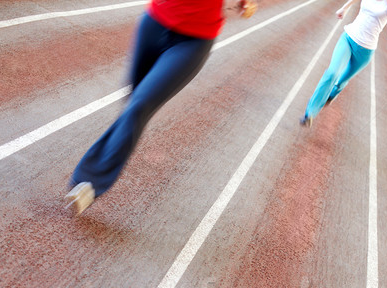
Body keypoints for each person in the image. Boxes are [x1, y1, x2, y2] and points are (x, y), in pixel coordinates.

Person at [66, 0, 257, 214]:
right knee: (133, 101)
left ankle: (89, 183)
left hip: (193, 43)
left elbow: (249, 5)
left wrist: (246, 5)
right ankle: (95, 172)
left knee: (140, 105)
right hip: (154, 23)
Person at [300, 0, 387, 127]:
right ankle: (309, 113)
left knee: (342, 80)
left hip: (365, 52)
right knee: (332, 73)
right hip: (348, 38)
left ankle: (333, 94)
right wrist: (344, 7)